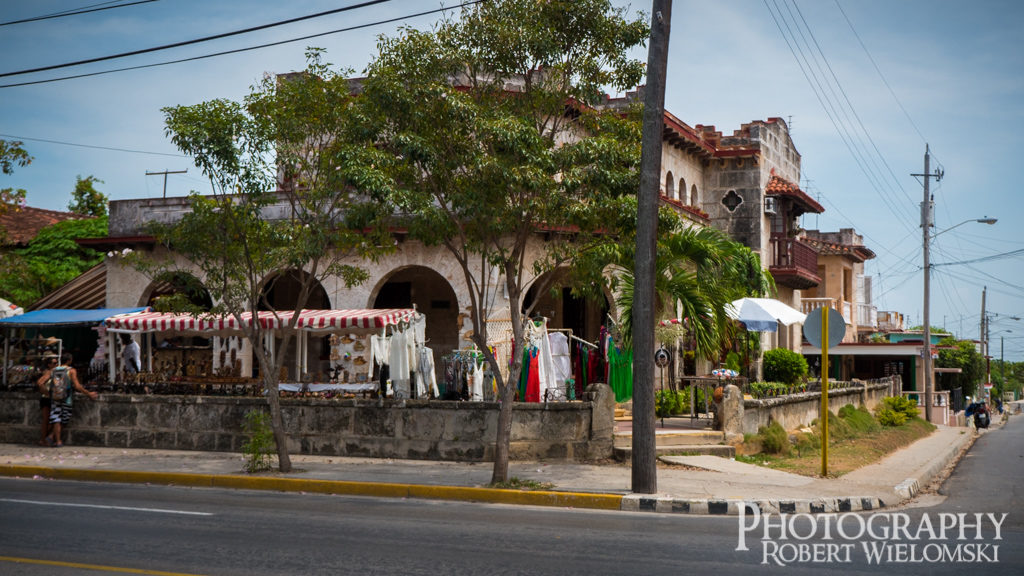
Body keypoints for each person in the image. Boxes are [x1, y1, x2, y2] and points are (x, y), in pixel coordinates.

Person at [41, 353, 97, 447]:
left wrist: (49, 393)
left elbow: (40, 382)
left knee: (56, 419)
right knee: (64, 419)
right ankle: (52, 437)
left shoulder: (53, 370)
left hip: (55, 398)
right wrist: (88, 393)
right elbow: (77, 386)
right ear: (70, 360)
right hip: (66, 399)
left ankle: (56, 440)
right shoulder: (71, 371)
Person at [34, 353, 58, 446]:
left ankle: (46, 439)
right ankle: (44, 439)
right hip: (47, 399)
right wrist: (47, 393)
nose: (56, 364)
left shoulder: (52, 372)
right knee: (47, 420)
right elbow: (40, 382)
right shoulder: (49, 372)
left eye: (57, 363)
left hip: (48, 398)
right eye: (54, 363)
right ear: (49, 364)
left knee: (49, 420)